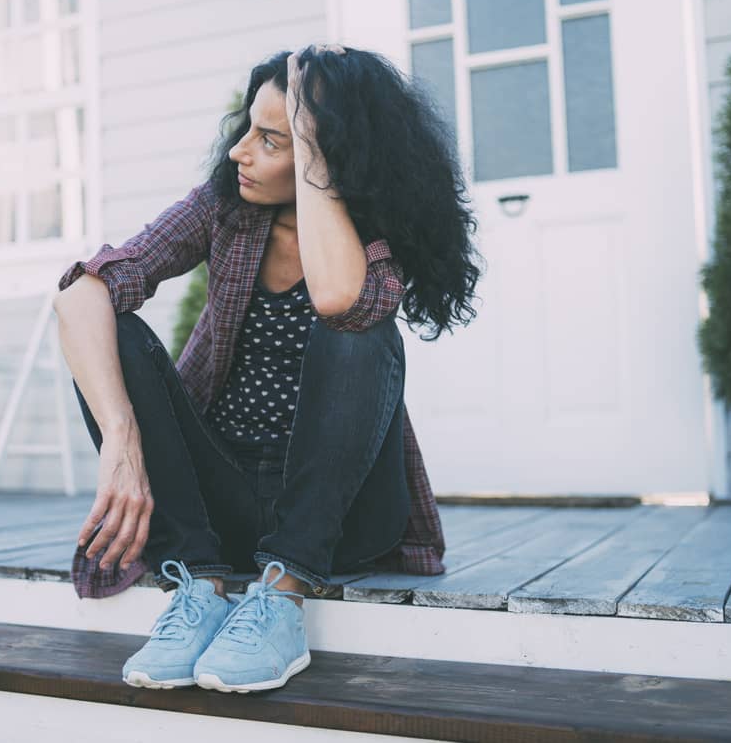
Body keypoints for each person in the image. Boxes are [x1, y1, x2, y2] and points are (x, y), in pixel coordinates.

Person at [52, 43, 482, 693]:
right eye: (247, 128)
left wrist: (313, 159)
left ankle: (283, 596)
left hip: (342, 516)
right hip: (223, 500)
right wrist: (120, 438)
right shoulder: (225, 206)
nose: (238, 151)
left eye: (272, 140)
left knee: (359, 332)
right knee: (114, 329)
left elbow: (339, 300)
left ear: (328, 157)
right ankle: (199, 585)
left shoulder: (378, 244)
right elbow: (81, 295)